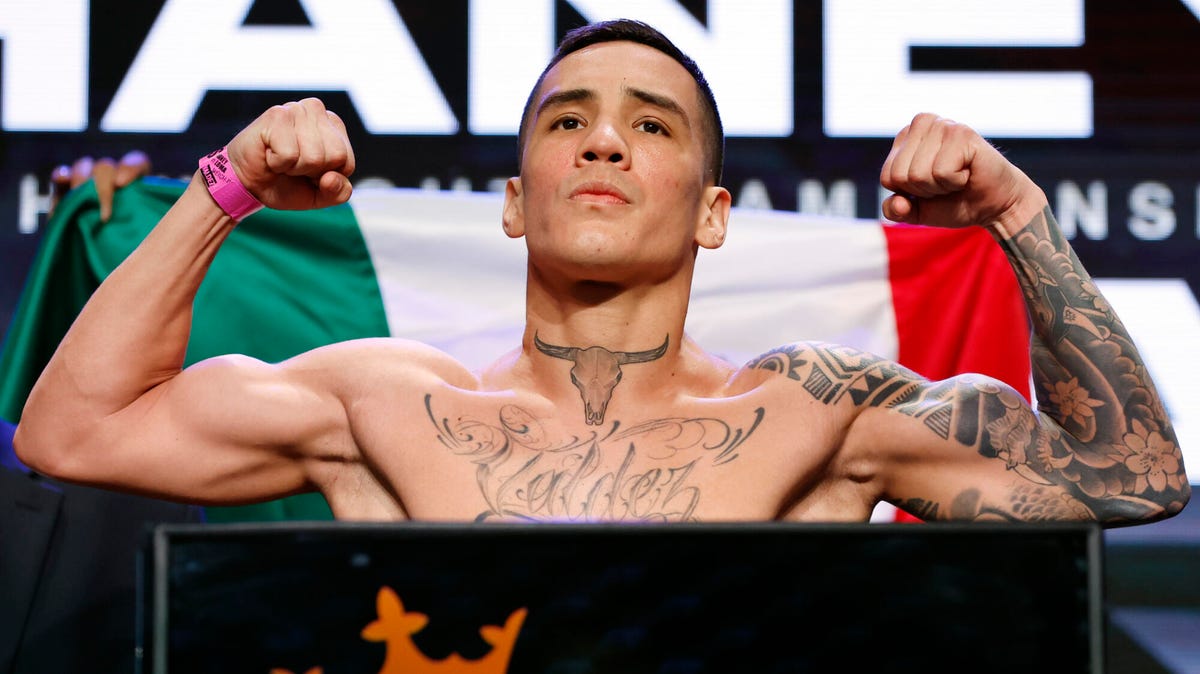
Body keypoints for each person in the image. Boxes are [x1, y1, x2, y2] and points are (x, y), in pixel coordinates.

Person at [13, 19, 1189, 524]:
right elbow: (72, 432)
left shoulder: (819, 410)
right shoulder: (382, 403)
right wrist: (229, 188)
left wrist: (1020, 216)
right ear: (515, 204)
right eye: (568, 119)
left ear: (714, 213)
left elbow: (1131, 478)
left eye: (654, 126)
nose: (606, 140)